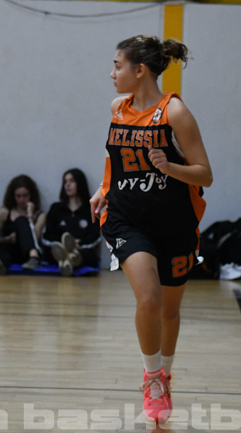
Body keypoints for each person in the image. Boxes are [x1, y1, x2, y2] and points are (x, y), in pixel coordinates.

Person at [89, 36, 212, 424]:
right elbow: (115, 159)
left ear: (139, 70)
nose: (112, 74)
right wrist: (103, 189)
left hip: (175, 221)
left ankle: (166, 375)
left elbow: (205, 174)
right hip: (127, 219)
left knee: (169, 312)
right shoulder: (117, 109)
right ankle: (152, 379)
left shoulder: (174, 112)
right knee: (150, 299)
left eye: (117, 66)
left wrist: (169, 167)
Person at [41, 168, 101, 276]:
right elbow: (47, 235)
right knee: (50, 252)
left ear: (80, 184)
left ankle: (68, 262)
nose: (67, 185)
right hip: (59, 247)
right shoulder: (56, 208)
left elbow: (95, 236)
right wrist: (63, 243)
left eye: (71, 181)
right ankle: (70, 260)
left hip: (81, 249)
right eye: (65, 181)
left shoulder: (91, 209)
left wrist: (77, 244)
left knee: (89, 256)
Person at [0, 174, 46, 275]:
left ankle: (34, 258)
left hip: (26, 252)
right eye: (18, 196)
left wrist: (29, 215)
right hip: (10, 249)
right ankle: (0, 265)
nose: (22, 200)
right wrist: (7, 239)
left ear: (31, 195)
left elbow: (35, 239)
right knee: (2, 248)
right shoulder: (5, 212)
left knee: (21, 220)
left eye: (25, 196)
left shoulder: (40, 215)